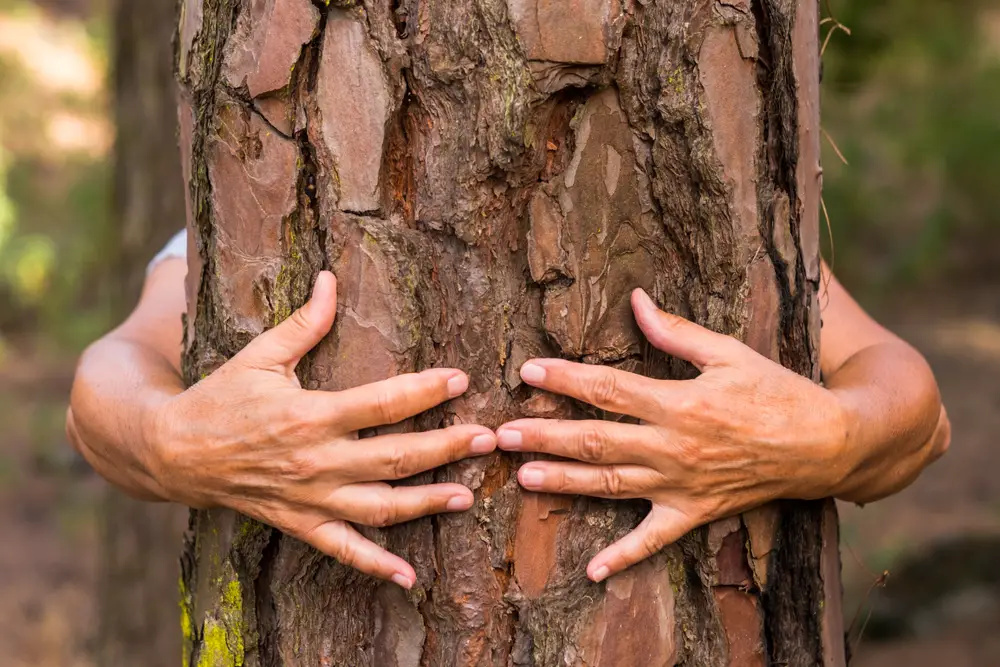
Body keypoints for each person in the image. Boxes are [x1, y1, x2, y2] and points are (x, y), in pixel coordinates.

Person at [67, 230, 950, 590]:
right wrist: (170, 438)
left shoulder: (731, 200)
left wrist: (828, 438)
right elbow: (109, 376)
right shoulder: (247, 213)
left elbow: (916, 408)